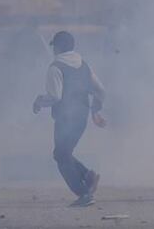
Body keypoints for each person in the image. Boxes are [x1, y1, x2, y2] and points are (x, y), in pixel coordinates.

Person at [33, 30, 105, 207]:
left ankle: (84, 193)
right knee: (63, 153)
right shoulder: (84, 65)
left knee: (62, 155)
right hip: (81, 118)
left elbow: (55, 97)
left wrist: (39, 102)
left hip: (66, 119)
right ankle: (88, 176)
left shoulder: (55, 67)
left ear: (57, 47)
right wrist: (95, 111)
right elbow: (100, 90)